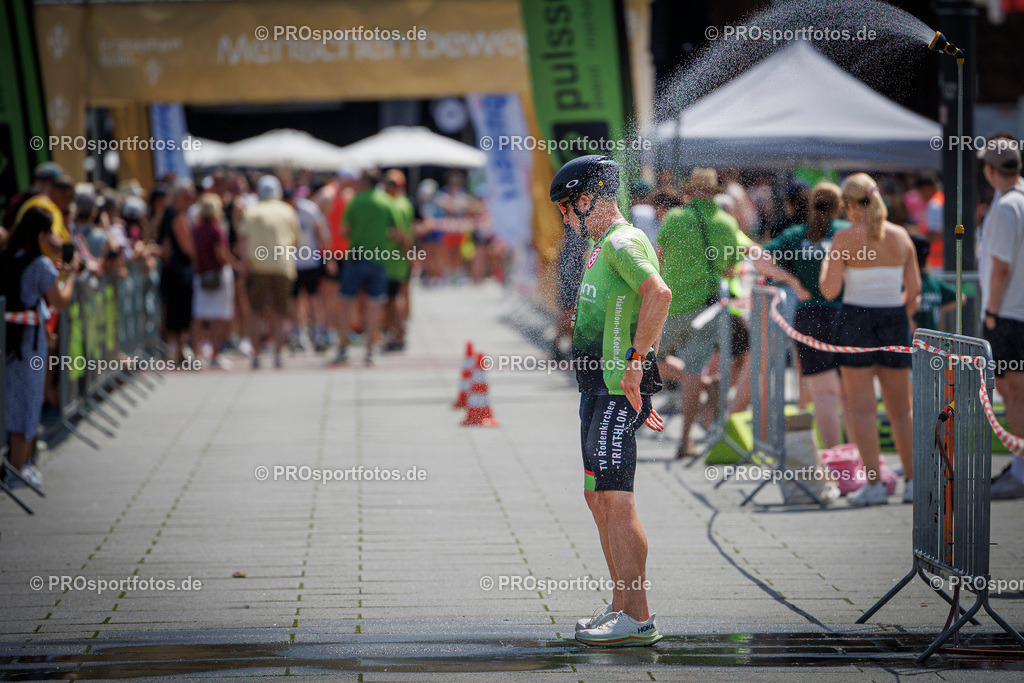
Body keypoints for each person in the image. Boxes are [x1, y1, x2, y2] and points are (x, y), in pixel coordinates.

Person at [551, 155, 672, 647]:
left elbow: (658, 294)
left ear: (590, 199)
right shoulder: (601, 245)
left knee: (617, 501)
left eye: (567, 208)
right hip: (594, 389)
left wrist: (639, 360)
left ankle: (638, 615)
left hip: (614, 389)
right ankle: (621, 603)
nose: (565, 219)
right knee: (598, 497)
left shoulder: (621, 240)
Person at [820, 173, 920, 506]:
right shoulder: (901, 236)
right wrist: (897, 316)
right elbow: (915, 291)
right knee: (901, 411)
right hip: (892, 320)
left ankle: (875, 484)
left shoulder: (845, 239)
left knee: (861, 409)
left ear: (849, 205)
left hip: (856, 320)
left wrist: (828, 264)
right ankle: (913, 482)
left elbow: (830, 290)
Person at [656, 168, 749, 459]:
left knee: (643, 358)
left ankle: (695, 382)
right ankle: (685, 439)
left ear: (689, 190)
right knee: (696, 369)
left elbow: (656, 259)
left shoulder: (674, 218)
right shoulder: (727, 222)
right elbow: (732, 269)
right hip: (708, 309)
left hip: (671, 306)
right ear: (714, 192)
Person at [754, 182, 849, 448]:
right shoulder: (847, 233)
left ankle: (834, 459)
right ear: (840, 207)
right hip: (848, 315)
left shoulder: (797, 234)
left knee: (824, 395)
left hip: (810, 317)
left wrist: (793, 282)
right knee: (850, 392)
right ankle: (858, 462)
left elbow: (759, 259)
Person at [2, 208, 78, 489]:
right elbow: (59, 301)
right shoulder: (41, 266)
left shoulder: (9, 257)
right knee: (27, 404)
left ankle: (18, 466)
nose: (56, 237)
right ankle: (18, 470)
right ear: (40, 234)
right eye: (51, 232)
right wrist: (69, 276)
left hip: (10, 340)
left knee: (12, 403)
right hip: (28, 346)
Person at [977, 137, 1024, 499]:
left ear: (991, 170)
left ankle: (1021, 470)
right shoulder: (1013, 201)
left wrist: (991, 311)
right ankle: (1020, 465)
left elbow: (1001, 267)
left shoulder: (1009, 206)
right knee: (1011, 392)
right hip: (1012, 313)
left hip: (1007, 313)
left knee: (1013, 393)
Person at [333, 170, 398, 365]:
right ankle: (370, 349)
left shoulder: (356, 201)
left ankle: (343, 347)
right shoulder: (387, 202)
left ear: (364, 182)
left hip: (356, 258)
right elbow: (395, 231)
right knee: (374, 305)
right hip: (378, 259)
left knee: (346, 303)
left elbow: (344, 230)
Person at [237, 175, 300, 369]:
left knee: (255, 312)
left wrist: (244, 266)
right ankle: (278, 354)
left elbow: (243, 240)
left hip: (258, 266)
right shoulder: (287, 211)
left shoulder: (252, 211)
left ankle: (256, 355)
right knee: (281, 312)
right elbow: (296, 240)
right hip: (282, 266)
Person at [191, 192, 239, 368]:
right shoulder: (216, 228)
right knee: (220, 316)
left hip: (201, 274)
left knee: (199, 315)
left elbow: (194, 254)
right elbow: (221, 254)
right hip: (218, 274)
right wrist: (236, 265)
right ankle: (214, 354)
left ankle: (196, 354)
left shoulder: (196, 228)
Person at [286, 187, 330, 352]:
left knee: (314, 298)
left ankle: (318, 331)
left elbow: (321, 232)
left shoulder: (309, 209)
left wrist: (328, 256)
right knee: (294, 300)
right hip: (291, 263)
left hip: (310, 261)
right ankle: (298, 333)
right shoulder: (284, 211)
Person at [159, 180, 196, 363]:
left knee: (175, 311)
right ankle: (178, 351)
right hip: (179, 270)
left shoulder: (170, 213)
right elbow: (186, 246)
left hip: (174, 270)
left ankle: (178, 350)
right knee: (179, 312)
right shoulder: (176, 215)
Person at [381, 170, 415, 352]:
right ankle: (397, 333)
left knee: (394, 299)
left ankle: (399, 334)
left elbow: (402, 234)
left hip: (396, 260)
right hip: (396, 259)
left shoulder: (398, 205)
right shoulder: (401, 203)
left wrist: (408, 254)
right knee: (395, 297)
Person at [910, 234, 960, 333]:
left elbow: (961, 298)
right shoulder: (935, 282)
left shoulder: (907, 284)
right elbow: (961, 298)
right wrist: (939, 308)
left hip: (913, 342)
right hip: (931, 342)